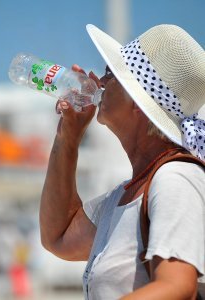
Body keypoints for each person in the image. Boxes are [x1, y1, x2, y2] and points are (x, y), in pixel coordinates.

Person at [39, 24, 205, 299]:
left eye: (110, 73)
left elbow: (176, 287)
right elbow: (58, 235)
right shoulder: (129, 192)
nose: (100, 82)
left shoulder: (176, 179)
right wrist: (68, 137)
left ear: (138, 101)